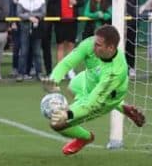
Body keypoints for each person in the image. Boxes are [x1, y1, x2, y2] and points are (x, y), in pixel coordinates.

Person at [43, 25, 146, 155]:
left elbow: (91, 103)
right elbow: (67, 63)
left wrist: (67, 114)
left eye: (98, 45)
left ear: (110, 48)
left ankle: (85, 137)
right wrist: (54, 80)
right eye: (94, 42)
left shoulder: (114, 72)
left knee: (57, 123)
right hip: (87, 80)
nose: (93, 46)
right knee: (72, 86)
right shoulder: (90, 43)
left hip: (105, 99)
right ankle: (122, 107)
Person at [46, 0, 84, 75]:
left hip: (72, 20)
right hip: (60, 21)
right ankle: (60, 70)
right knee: (60, 45)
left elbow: (81, 1)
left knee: (71, 45)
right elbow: (51, 1)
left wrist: (75, 2)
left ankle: (70, 69)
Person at [104, 0, 139, 77]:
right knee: (115, 45)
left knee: (130, 45)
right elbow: (107, 2)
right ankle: (113, 67)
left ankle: (131, 67)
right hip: (115, 23)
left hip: (130, 22)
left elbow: (134, 5)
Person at [16, 0, 47, 81]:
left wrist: (35, 16)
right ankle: (21, 73)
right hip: (25, 29)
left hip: (37, 29)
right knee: (23, 52)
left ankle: (39, 73)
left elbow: (43, 13)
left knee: (37, 52)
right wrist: (29, 17)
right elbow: (19, 14)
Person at [32, 0, 54, 78]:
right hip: (32, 24)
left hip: (45, 25)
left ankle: (49, 70)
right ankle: (34, 70)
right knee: (33, 49)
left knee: (46, 49)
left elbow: (50, 8)